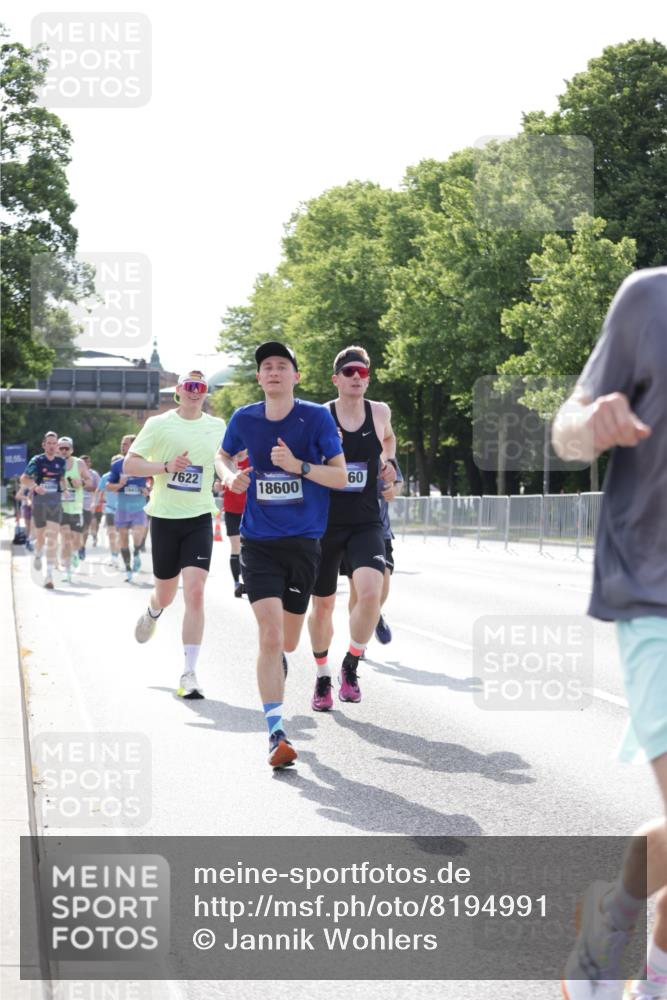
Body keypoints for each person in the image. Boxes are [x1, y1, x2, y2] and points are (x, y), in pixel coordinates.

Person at [552, 267, 667, 1000]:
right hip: (653, 589)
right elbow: (566, 425)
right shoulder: (648, 298)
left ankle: (624, 938)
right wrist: (586, 425)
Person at [215, 342, 346, 768]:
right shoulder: (244, 418)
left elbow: (341, 477)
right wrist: (230, 475)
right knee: (269, 636)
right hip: (259, 543)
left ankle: (282, 665)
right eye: (266, 367)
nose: (273, 372)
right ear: (259, 378)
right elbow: (221, 454)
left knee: (288, 639)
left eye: (282, 366)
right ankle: (275, 734)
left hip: (304, 542)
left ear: (296, 376)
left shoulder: (317, 418)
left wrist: (298, 467)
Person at [123, 371, 226, 699]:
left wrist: (229, 476)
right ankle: (153, 610)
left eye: (201, 387)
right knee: (166, 594)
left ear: (205, 393)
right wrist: (166, 467)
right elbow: (130, 465)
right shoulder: (158, 424)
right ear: (179, 392)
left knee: (195, 592)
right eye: (189, 387)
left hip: (199, 517)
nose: (196, 392)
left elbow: (226, 460)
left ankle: (189, 672)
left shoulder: (217, 427)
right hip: (166, 517)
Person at [307, 346, 397, 712]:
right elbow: (304, 463)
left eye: (362, 372)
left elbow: (387, 439)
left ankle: (351, 665)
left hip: (365, 520)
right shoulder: (319, 416)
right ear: (336, 379)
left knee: (371, 594)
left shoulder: (379, 411)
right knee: (323, 606)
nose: (356, 377)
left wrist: (388, 462)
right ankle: (322, 674)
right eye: (349, 372)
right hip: (325, 523)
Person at [344, 460, 404, 649]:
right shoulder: (339, 449)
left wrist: (394, 490)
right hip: (354, 533)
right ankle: (357, 643)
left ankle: (374, 615)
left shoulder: (383, 456)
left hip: (382, 532)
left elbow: (399, 482)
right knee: (359, 592)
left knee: (382, 589)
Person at [20, 431, 66, 589]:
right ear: (44, 445)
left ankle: (49, 576)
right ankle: (38, 553)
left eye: (55, 443)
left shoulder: (61, 461)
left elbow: (61, 479)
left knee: (52, 538)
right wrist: (35, 487)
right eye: (49, 443)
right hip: (39, 504)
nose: (52, 446)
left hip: (54, 504)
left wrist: (65, 489)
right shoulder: (37, 460)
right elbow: (24, 478)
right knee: (40, 538)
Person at [107, 444, 150, 583]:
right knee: (123, 539)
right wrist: (119, 484)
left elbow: (153, 480)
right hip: (123, 508)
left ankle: (136, 552)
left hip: (139, 507)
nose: (124, 446)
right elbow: (109, 486)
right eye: (123, 444)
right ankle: (128, 569)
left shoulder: (145, 463)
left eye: (127, 443)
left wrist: (148, 489)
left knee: (137, 536)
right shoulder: (117, 465)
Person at [57, 437, 92, 583]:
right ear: (57, 449)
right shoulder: (54, 463)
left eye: (67, 448)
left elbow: (89, 481)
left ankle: (76, 553)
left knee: (76, 541)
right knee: (65, 540)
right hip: (60, 507)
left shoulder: (79, 463)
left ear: (71, 449)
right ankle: (67, 571)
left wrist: (81, 482)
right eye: (61, 448)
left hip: (76, 508)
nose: (64, 451)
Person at [222, 449, 249, 597]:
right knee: (236, 546)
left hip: (249, 511)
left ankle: (248, 581)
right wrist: (218, 485)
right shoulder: (227, 462)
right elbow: (221, 481)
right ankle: (237, 583)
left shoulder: (252, 461)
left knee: (247, 547)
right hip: (232, 510)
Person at [97, 457, 121, 568]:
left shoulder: (127, 477)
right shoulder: (106, 477)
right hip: (110, 508)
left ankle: (118, 552)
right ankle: (114, 557)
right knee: (112, 534)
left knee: (121, 535)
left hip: (123, 510)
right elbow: (99, 490)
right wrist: (95, 503)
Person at [79, 456, 100, 555]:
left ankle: (82, 546)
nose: (86, 464)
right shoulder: (75, 472)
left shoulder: (94, 474)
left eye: (88, 462)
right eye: (84, 462)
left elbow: (99, 488)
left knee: (85, 527)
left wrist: (89, 487)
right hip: (75, 503)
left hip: (88, 503)